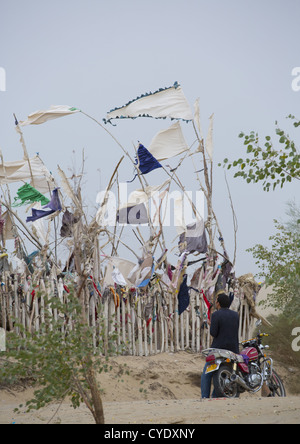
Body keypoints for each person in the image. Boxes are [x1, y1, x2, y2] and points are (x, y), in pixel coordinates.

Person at [201, 292, 240, 399]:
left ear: (218, 304)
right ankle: (216, 395)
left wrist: (211, 324)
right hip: (233, 350)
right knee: (228, 372)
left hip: (218, 349)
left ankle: (205, 396)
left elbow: (214, 333)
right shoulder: (235, 315)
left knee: (207, 373)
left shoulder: (216, 314)